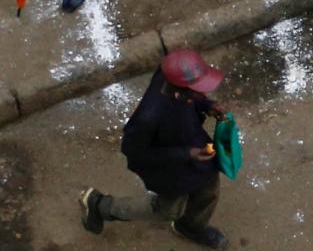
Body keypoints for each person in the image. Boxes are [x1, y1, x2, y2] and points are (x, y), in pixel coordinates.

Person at [79, 47, 228, 247]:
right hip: (171, 170)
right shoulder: (149, 117)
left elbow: (194, 100)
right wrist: (186, 154)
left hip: (196, 152)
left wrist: (207, 106)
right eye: (199, 90)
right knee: (167, 210)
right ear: (180, 90)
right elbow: (134, 153)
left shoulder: (174, 81)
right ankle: (100, 205)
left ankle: (191, 227)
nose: (205, 92)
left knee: (209, 191)